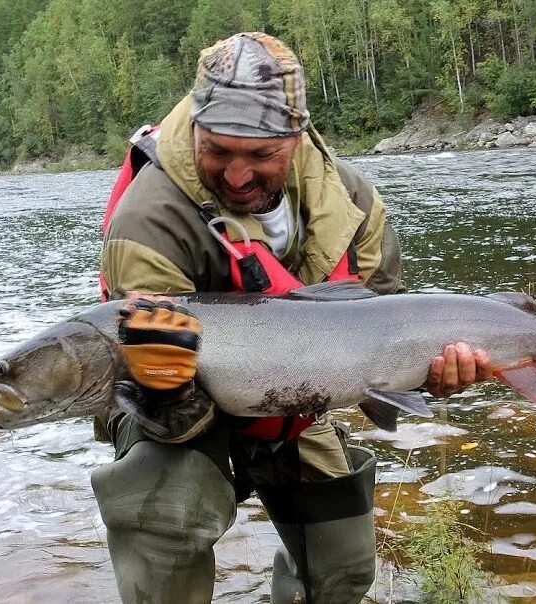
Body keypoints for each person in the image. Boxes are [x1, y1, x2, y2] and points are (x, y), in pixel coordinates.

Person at [91, 32, 489, 603]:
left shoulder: (350, 202)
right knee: (169, 510)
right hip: (172, 398)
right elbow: (161, 406)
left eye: (259, 155)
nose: (235, 174)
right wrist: (167, 388)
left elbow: (386, 326)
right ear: (196, 126)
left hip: (296, 393)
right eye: (218, 151)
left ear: (296, 139)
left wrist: (425, 375)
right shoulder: (149, 220)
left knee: (341, 565)